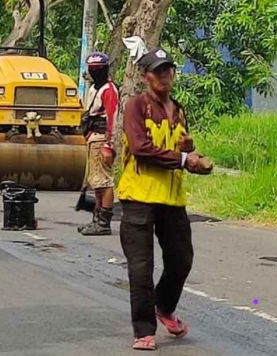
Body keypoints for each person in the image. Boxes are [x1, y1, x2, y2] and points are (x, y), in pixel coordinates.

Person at [117, 47, 213, 351]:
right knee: (141, 266)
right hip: (138, 195)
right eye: (159, 71)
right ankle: (143, 330)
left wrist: (191, 150)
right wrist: (185, 159)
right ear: (146, 77)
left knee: (181, 259)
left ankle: (164, 307)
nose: (165, 76)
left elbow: (181, 146)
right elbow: (142, 149)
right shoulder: (135, 107)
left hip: (172, 198)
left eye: (168, 70)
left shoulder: (179, 109)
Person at [77, 52, 119, 236]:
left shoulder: (108, 90)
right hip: (93, 138)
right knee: (96, 182)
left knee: (104, 181)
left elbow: (112, 119)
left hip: (102, 140)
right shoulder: (95, 88)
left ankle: (103, 222)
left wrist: (108, 145)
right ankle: (96, 218)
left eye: (94, 70)